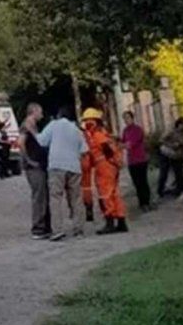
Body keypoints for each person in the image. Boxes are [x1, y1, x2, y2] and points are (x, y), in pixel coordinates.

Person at [29, 104, 88, 241]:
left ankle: (58, 230)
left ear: (59, 115)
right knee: (76, 198)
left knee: (56, 198)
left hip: (57, 165)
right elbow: (84, 150)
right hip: (74, 166)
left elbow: (42, 141)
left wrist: (33, 132)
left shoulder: (54, 125)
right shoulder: (76, 129)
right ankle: (78, 229)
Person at [81, 108, 128, 234]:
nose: (86, 124)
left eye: (87, 121)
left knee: (105, 194)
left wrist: (108, 162)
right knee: (114, 194)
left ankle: (110, 222)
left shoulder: (97, 134)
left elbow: (106, 149)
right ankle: (121, 222)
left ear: (93, 121)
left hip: (104, 167)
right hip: (110, 166)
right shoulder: (103, 132)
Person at [19, 102, 51, 238]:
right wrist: (29, 161)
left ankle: (43, 226)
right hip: (34, 166)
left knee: (42, 195)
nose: (42, 115)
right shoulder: (26, 126)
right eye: (40, 112)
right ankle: (38, 228)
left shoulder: (32, 126)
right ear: (34, 111)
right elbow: (21, 143)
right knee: (39, 196)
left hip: (38, 164)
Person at [120, 110, 152, 210]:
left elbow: (129, 144)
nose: (126, 120)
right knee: (136, 183)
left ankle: (146, 202)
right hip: (131, 161)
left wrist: (123, 145)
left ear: (132, 118)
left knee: (143, 182)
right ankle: (141, 202)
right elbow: (123, 142)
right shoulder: (125, 131)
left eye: (128, 117)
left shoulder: (138, 129)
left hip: (141, 159)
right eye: (124, 118)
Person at [157, 117, 183, 197]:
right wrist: (172, 145)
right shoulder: (171, 131)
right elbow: (161, 140)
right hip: (166, 153)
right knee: (164, 173)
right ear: (179, 124)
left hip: (177, 156)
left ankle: (179, 190)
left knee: (179, 173)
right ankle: (160, 191)